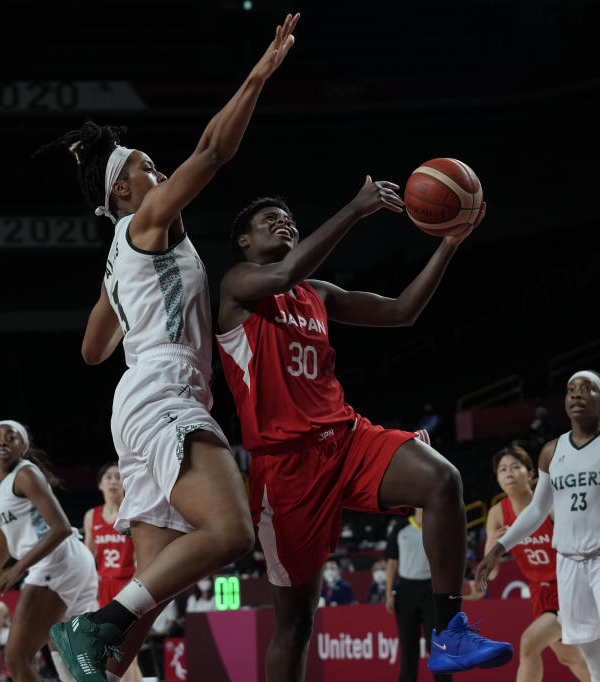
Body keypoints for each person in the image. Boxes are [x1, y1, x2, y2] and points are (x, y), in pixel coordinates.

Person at [43, 15, 300, 682]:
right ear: (120, 192)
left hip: (134, 406)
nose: (160, 172)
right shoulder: (145, 222)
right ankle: (89, 625)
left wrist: (128, 305)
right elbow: (214, 152)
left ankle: (98, 637)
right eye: (145, 167)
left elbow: (93, 349)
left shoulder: (117, 256)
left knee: (144, 608)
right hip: (167, 395)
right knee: (231, 532)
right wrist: (259, 73)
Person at [216, 187, 512, 682]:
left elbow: (402, 311)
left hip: (346, 438)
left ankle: (449, 634)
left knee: (443, 481)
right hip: (286, 468)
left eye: (289, 217)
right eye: (271, 219)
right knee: (295, 624)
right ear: (244, 241)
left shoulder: (318, 294)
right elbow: (285, 274)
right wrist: (355, 208)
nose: (284, 222)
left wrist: (448, 245)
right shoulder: (238, 285)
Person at [477, 370, 600, 682]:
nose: (577, 394)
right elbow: (535, 512)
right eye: (571, 389)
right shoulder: (551, 452)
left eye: (587, 388)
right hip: (569, 566)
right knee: (596, 665)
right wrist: (498, 550)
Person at [0, 420, 99, 682]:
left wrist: (18, 568)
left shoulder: (25, 474)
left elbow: (61, 528)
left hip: (57, 562)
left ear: (23, 446)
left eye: (11, 437)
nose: (2, 441)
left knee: (16, 658)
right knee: (66, 652)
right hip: (71, 563)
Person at [481, 444, 589, 682]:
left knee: (529, 643)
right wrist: (492, 544)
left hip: (567, 587)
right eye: (502, 469)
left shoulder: (549, 505)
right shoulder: (497, 513)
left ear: (530, 474)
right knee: (571, 658)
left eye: (515, 467)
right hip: (539, 592)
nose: (508, 473)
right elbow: (491, 575)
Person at [83, 462, 143, 682]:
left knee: (126, 653)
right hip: (102, 587)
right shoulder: (92, 516)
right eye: (108, 477)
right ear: (100, 484)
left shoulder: (134, 512)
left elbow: (143, 553)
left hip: (128, 584)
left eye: (118, 477)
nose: (113, 481)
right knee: (111, 653)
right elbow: (88, 556)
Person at [384, 508, 451, 682]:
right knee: (408, 648)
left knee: (437, 646)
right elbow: (392, 562)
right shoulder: (400, 528)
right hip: (405, 591)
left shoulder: (439, 525)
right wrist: (389, 592)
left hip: (432, 590)